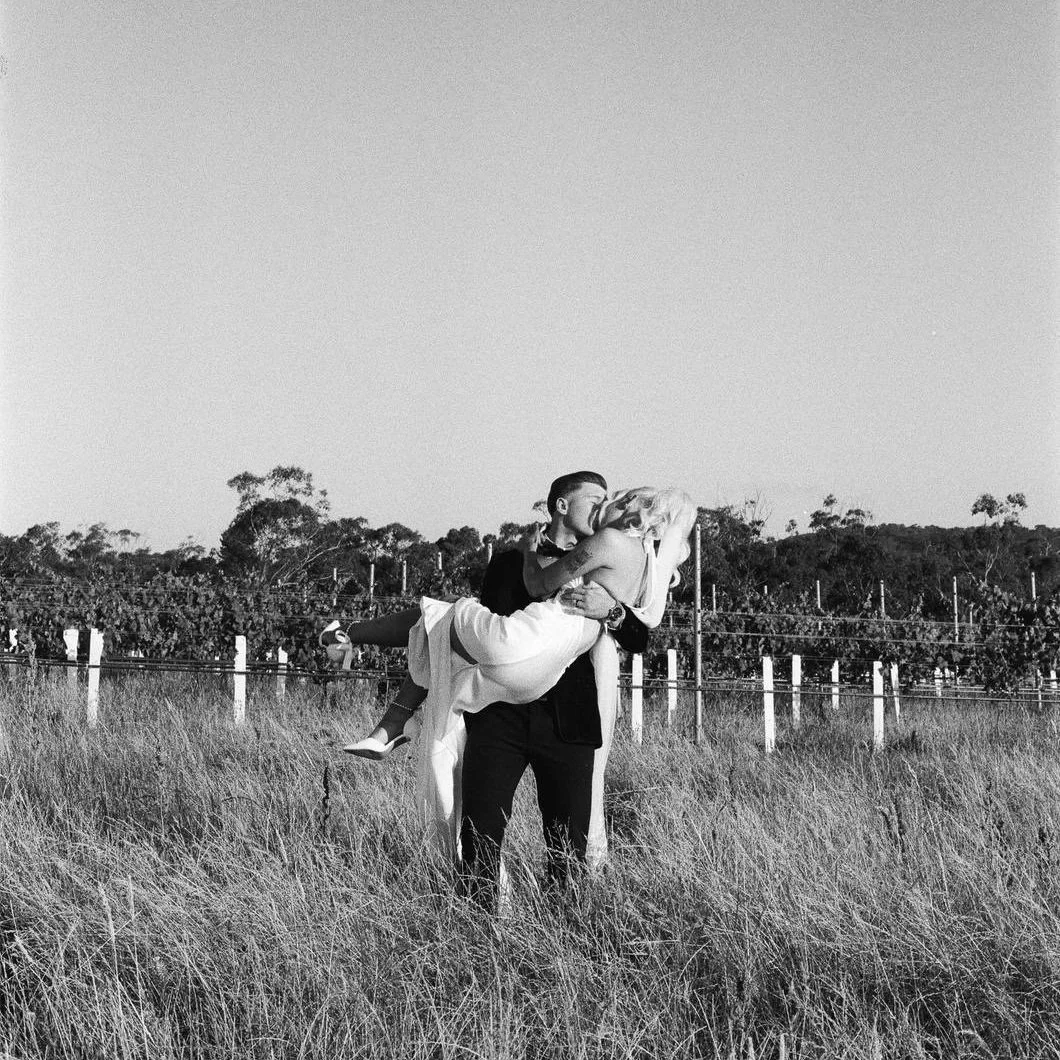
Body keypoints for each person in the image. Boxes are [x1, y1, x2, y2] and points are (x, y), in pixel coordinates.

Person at [326, 477, 695, 902]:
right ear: (560, 505)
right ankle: (480, 929)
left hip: (568, 723)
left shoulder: (610, 556)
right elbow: (497, 626)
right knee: (480, 836)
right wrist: (530, 559)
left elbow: (639, 638)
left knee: (568, 849)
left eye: (610, 499)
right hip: (502, 718)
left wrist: (611, 611)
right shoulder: (506, 562)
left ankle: (388, 702)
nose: (605, 505)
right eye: (595, 498)